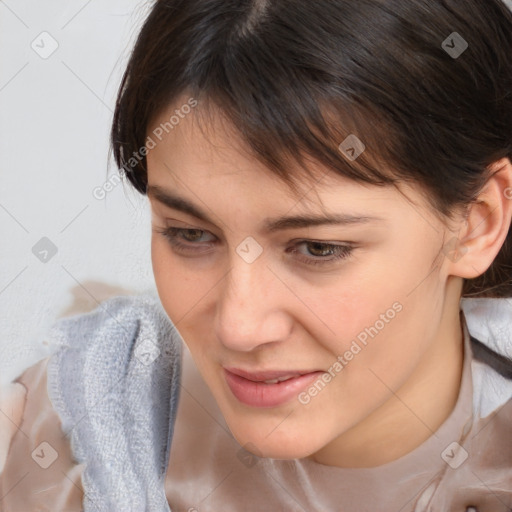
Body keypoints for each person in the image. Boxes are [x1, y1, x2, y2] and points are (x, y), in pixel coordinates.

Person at [1, 0, 512, 510]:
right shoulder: (55, 444)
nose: (238, 327)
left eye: (318, 248)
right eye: (190, 234)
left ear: (477, 225)